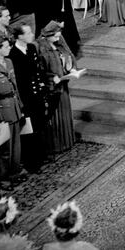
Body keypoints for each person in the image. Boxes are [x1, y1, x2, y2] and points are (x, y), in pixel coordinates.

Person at [0, 34, 25, 187]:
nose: (9, 48)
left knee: (16, 144)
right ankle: (4, 178)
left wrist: (20, 105)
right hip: (3, 112)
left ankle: (15, 171)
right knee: (5, 149)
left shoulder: (9, 62)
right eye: (6, 47)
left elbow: (15, 86)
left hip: (14, 107)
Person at [8, 24, 48, 173]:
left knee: (39, 125)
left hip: (37, 94)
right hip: (26, 97)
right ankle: (32, 162)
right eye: (28, 33)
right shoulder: (13, 55)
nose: (32, 35)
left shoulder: (31, 48)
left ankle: (41, 155)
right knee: (29, 131)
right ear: (20, 37)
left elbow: (37, 70)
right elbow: (19, 81)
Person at [36, 21, 77, 154]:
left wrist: (70, 69)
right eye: (56, 37)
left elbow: (67, 57)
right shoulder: (41, 48)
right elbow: (41, 70)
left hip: (62, 85)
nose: (58, 39)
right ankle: (57, 144)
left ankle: (67, 141)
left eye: (59, 36)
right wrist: (52, 77)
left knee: (64, 113)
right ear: (48, 35)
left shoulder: (58, 45)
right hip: (52, 88)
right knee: (56, 116)